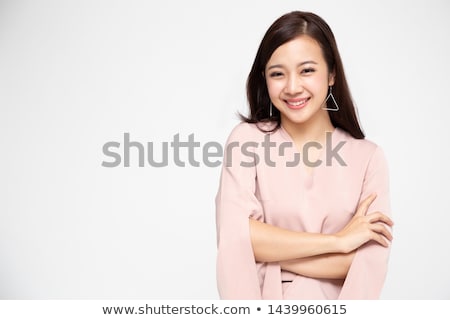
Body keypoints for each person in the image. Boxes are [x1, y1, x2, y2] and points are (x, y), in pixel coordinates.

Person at [215, 11, 394, 299]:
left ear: (332, 73)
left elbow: (366, 264)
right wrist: (339, 241)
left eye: (307, 70)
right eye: (277, 74)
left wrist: (268, 250)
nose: (293, 87)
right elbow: (234, 237)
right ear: (265, 79)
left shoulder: (369, 158)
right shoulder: (246, 141)